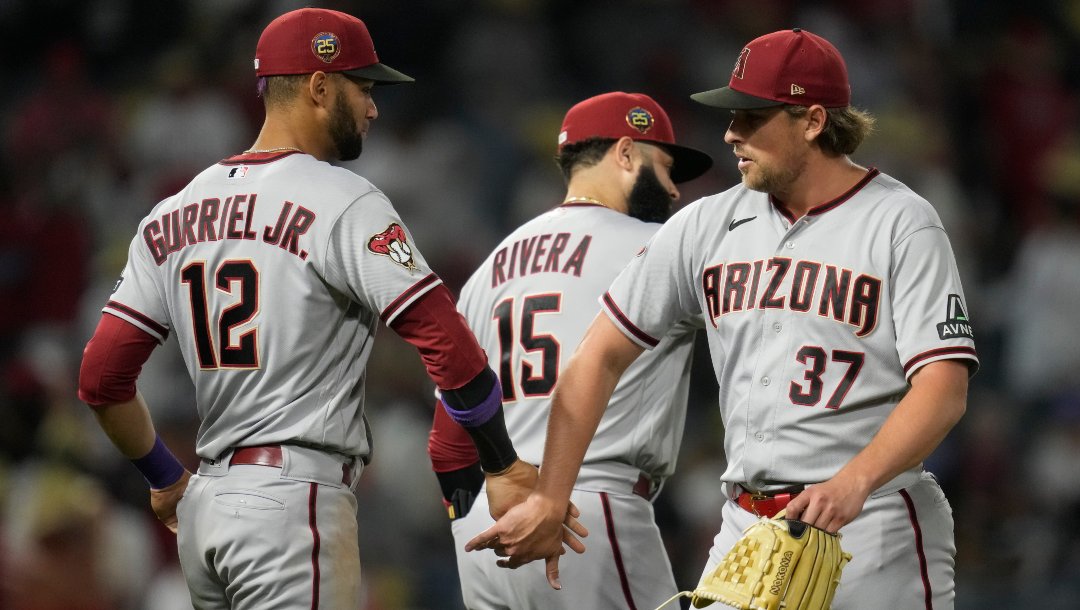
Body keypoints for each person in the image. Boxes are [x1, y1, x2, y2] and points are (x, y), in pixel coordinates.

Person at [466, 28, 978, 609]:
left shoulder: (900, 221)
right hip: (747, 530)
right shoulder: (708, 223)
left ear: (812, 121)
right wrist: (552, 496)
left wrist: (854, 481)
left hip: (875, 526)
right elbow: (598, 355)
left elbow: (943, 388)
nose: (731, 132)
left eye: (752, 116)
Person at [76, 8, 567, 609]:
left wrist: (164, 478)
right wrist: (502, 461)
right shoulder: (343, 199)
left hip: (206, 511)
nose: (373, 107)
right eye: (363, 87)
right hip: (293, 503)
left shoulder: (171, 212)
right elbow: (448, 343)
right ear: (318, 86)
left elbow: (101, 379)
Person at [428, 92, 712, 608]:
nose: (673, 189)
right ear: (625, 154)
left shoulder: (491, 264)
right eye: (666, 167)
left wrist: (463, 520)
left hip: (489, 526)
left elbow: (448, 437)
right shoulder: (656, 244)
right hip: (585, 513)